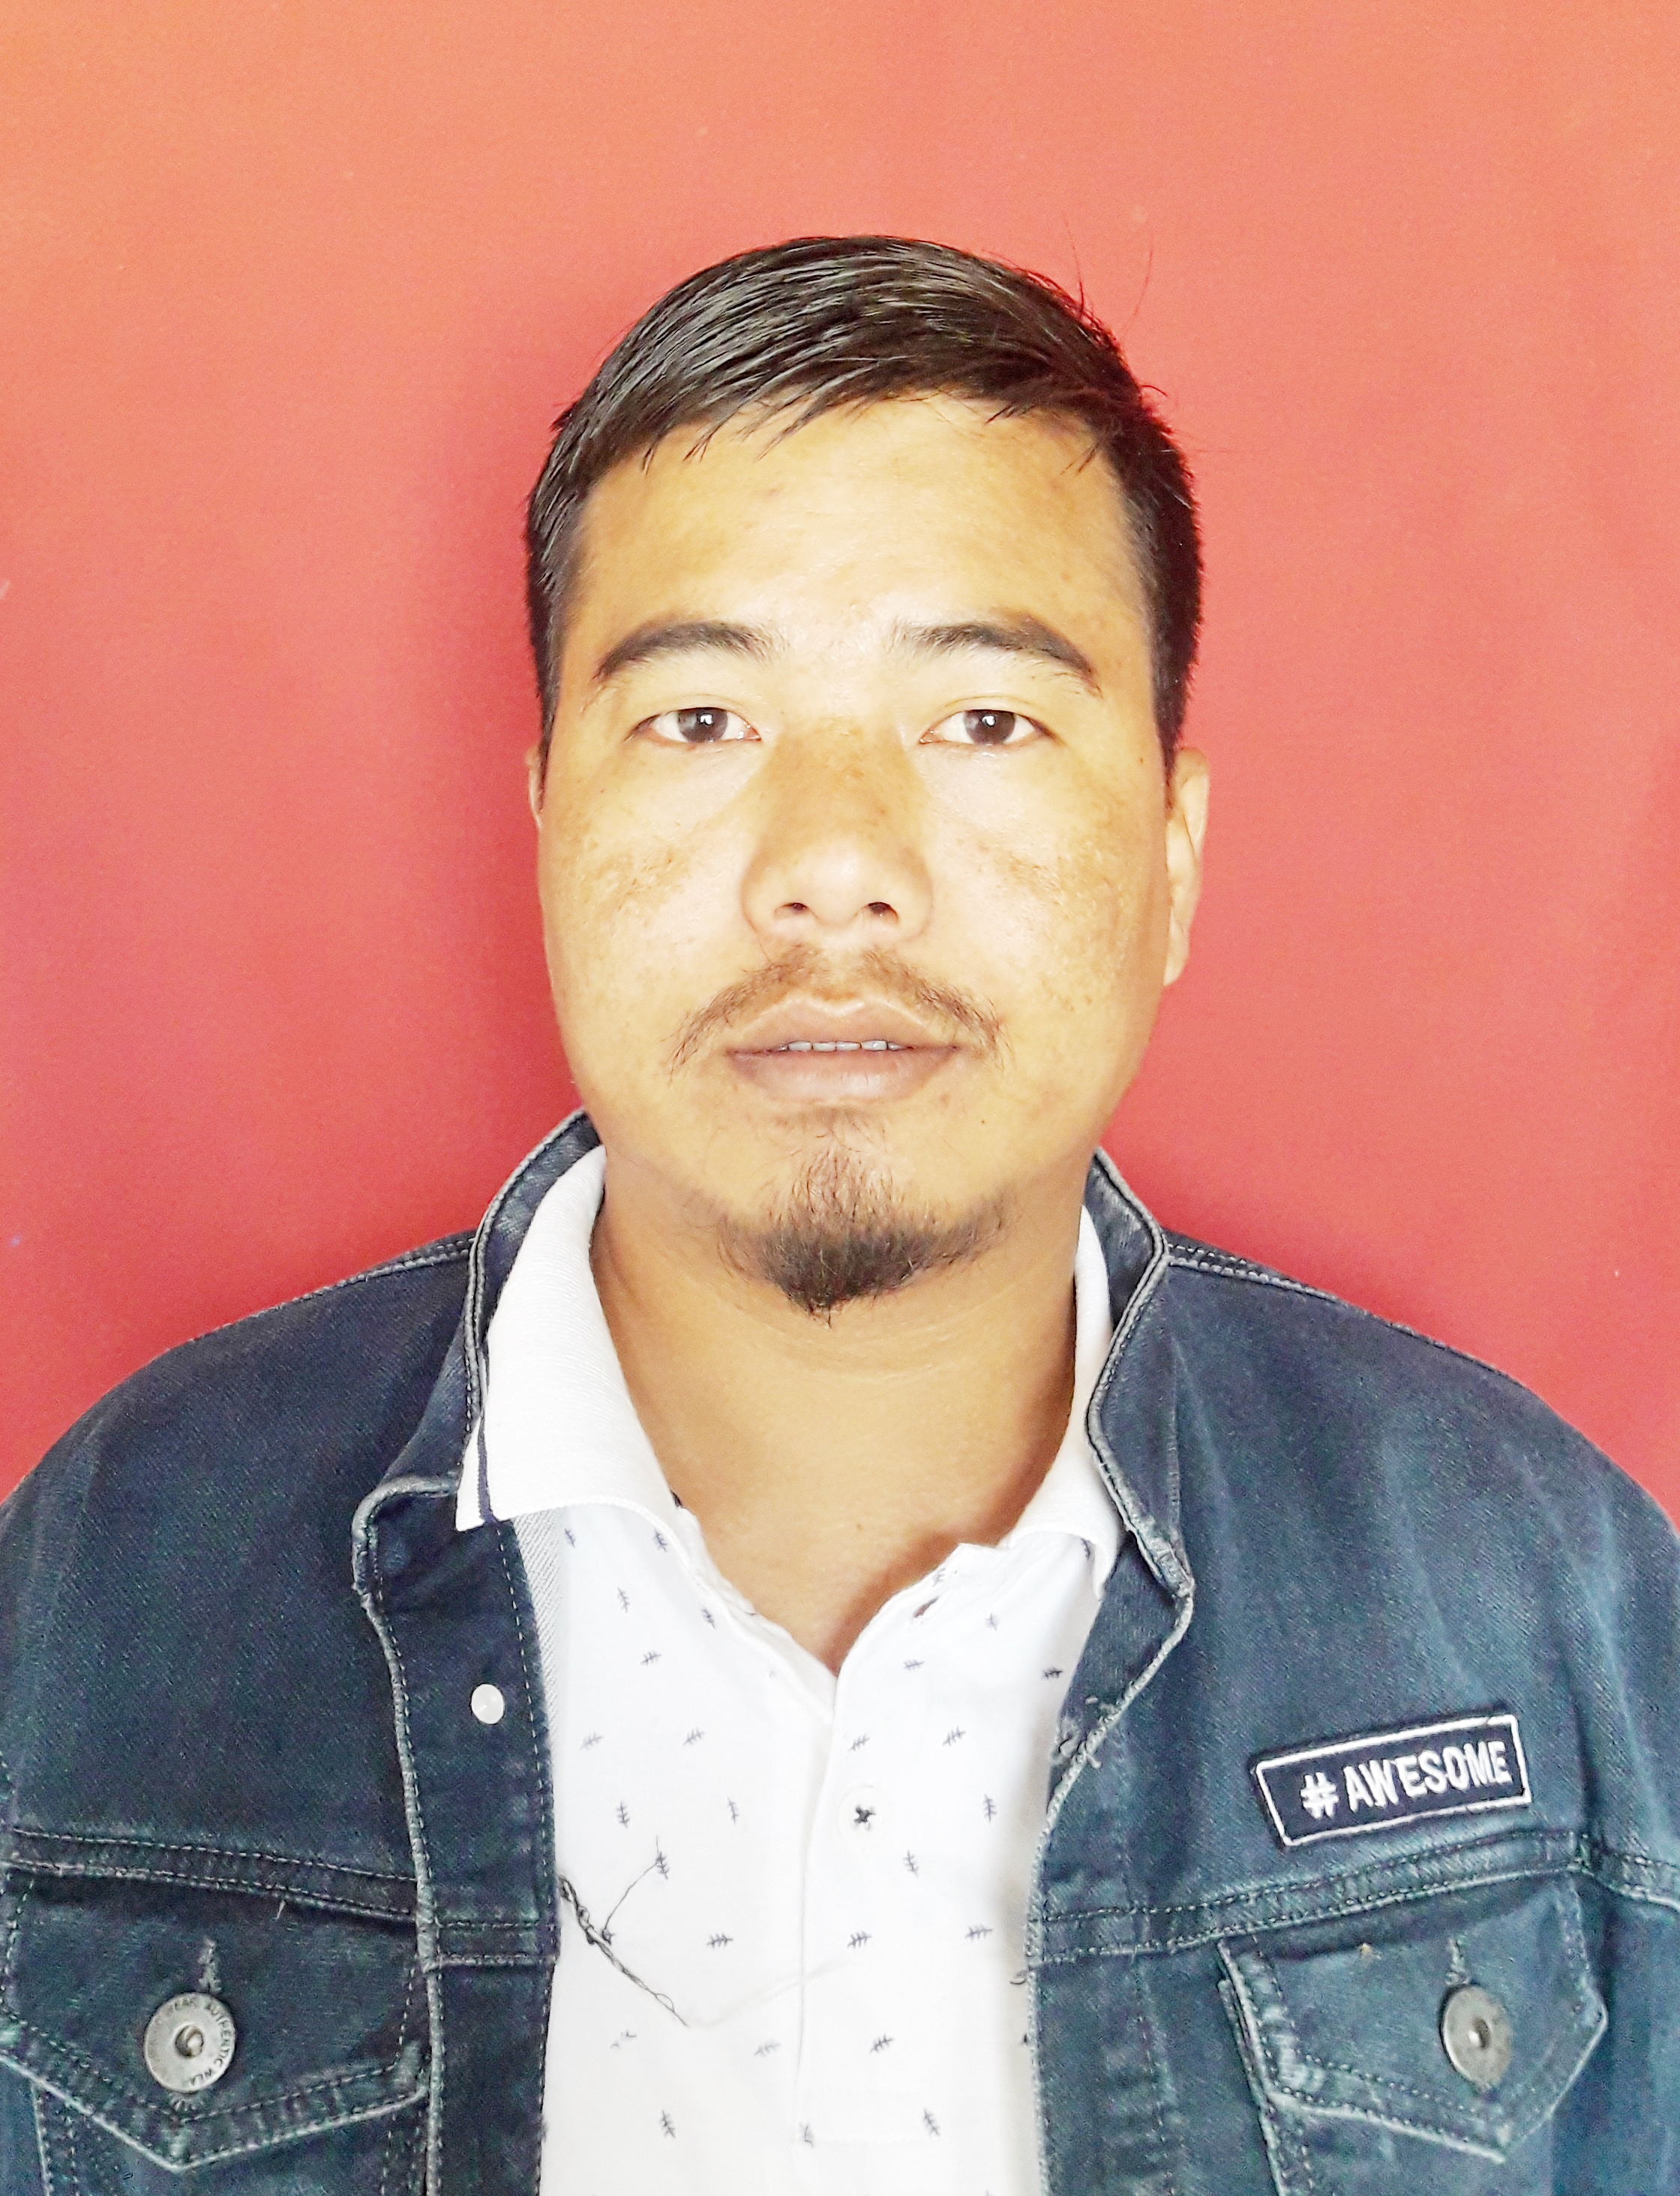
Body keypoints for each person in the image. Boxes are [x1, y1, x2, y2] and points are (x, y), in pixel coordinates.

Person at [0, 236, 1674, 2196]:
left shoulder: (1537, 1588)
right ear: (544, 827)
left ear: (1173, 855)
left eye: (986, 721)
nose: (834, 866)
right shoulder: (112, 1577)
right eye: (702, 720)